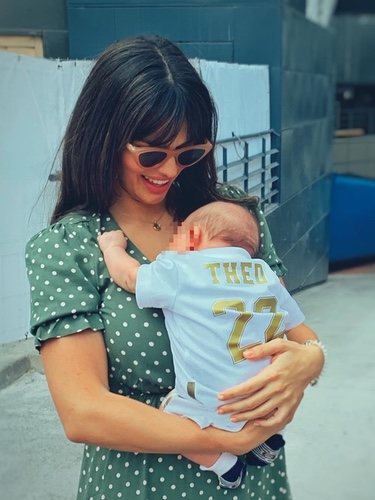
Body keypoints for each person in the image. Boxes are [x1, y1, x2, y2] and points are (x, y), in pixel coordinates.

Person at [25, 35, 325, 499]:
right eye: (151, 153)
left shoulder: (232, 219)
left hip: (257, 485)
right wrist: (227, 442)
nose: (169, 170)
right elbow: (83, 411)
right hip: (144, 484)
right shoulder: (72, 247)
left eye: (189, 154)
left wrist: (310, 360)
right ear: (104, 137)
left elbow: (277, 325)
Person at [97, 201, 313, 489]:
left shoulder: (181, 268)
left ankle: (226, 466)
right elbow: (298, 327)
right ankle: (267, 441)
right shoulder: (266, 274)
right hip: (266, 397)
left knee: (168, 414)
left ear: (193, 237)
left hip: (213, 405)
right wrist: (312, 356)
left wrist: (112, 248)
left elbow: (130, 276)